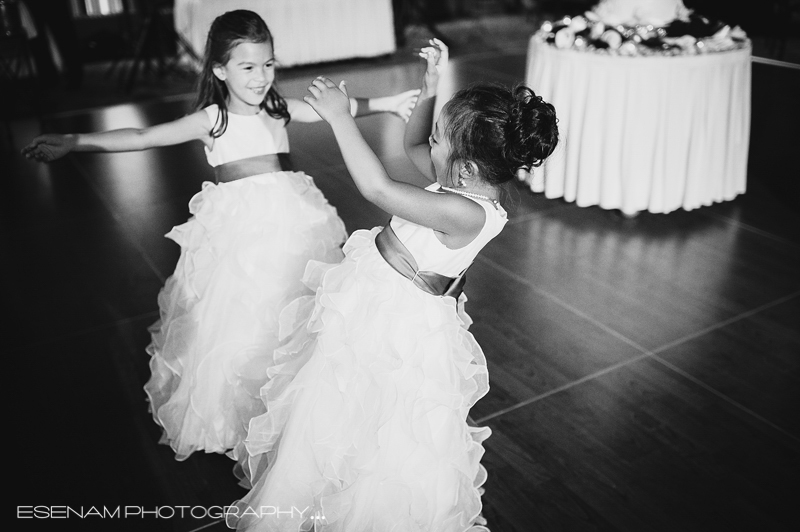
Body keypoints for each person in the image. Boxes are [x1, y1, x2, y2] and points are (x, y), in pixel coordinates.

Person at [21, 9, 419, 462]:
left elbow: (336, 110)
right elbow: (143, 134)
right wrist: (76, 140)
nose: (261, 77)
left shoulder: (277, 108)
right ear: (219, 70)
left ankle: (294, 403)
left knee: (297, 306)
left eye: (268, 64)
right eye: (248, 67)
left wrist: (388, 103)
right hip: (242, 234)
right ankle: (242, 411)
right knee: (244, 317)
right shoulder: (213, 119)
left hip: (296, 222)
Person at [225, 39, 558, 531]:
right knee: (341, 399)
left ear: (465, 166)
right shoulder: (463, 180)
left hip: (399, 327)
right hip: (375, 302)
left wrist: (340, 116)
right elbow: (409, 145)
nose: (431, 145)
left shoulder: (467, 211)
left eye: (441, 137)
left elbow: (378, 187)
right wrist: (429, 89)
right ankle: (322, 483)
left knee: (386, 417)